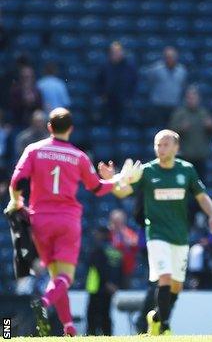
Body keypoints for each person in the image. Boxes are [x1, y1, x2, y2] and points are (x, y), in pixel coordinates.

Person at [5, 107, 140, 336]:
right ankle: (44, 303)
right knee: (65, 278)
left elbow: (17, 180)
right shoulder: (78, 156)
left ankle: (68, 328)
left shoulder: (34, 149)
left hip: (40, 220)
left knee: (56, 276)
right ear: (71, 129)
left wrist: (16, 202)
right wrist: (118, 179)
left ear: (49, 127)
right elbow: (97, 188)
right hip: (67, 221)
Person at [103, 129, 212, 335]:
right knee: (164, 277)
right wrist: (112, 181)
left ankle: (156, 316)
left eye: (166, 144)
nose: (161, 148)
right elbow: (123, 192)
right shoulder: (147, 171)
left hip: (180, 236)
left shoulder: (187, 170)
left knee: (177, 285)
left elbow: (202, 197)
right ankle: (164, 325)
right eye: (158, 144)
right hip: (156, 235)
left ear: (176, 147)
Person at [168, 85, 212, 179]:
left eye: (194, 97)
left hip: (200, 157)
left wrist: (210, 127)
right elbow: (170, 134)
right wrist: (181, 129)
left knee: (201, 184)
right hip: (185, 156)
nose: (192, 100)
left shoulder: (204, 113)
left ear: (198, 99)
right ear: (186, 99)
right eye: (189, 98)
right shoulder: (179, 113)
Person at [86, 226, 122, 336]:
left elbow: (99, 267)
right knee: (105, 315)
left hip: (98, 287)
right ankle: (107, 335)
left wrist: (107, 283)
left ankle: (93, 335)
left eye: (98, 233)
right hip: (102, 287)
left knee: (94, 315)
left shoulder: (99, 248)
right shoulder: (111, 249)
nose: (95, 235)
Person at [95, 41, 138, 128]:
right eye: (114, 52)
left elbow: (134, 82)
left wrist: (129, 97)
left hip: (123, 101)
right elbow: (98, 82)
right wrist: (102, 95)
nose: (116, 54)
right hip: (108, 101)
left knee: (123, 125)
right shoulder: (104, 66)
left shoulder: (129, 67)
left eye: (118, 51)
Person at [145, 46, 187, 125]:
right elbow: (150, 83)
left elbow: (183, 86)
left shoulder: (182, 71)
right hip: (158, 105)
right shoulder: (156, 69)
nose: (170, 59)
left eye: (172, 57)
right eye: (168, 57)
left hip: (174, 105)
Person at [108, 209, 139, 289]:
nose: (117, 224)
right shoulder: (107, 233)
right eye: (115, 221)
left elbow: (135, 244)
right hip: (110, 268)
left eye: (119, 221)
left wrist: (125, 240)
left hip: (126, 269)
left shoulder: (128, 232)